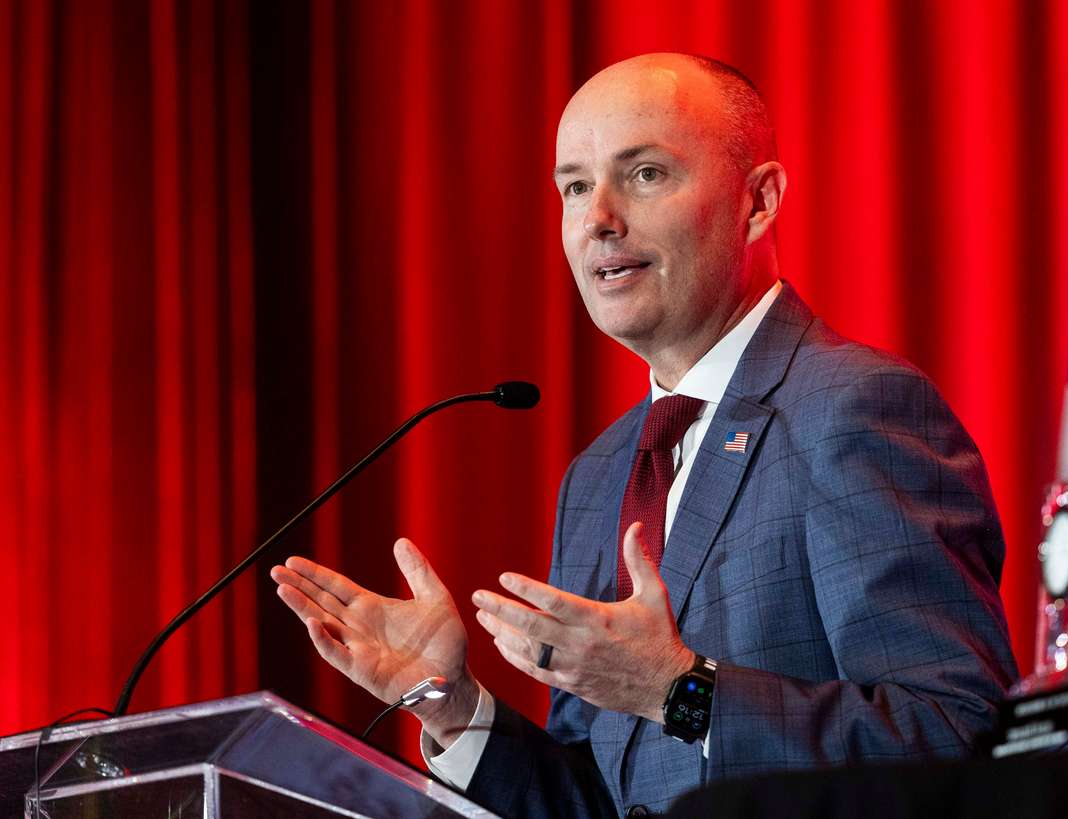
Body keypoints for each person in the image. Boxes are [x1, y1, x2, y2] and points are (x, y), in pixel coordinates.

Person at [271, 53, 1018, 818]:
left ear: (758, 201)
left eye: (645, 174)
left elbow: (961, 735)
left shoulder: (854, 408)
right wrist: (453, 706)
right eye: (574, 186)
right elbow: (605, 802)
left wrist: (679, 690)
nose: (598, 217)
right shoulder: (599, 474)